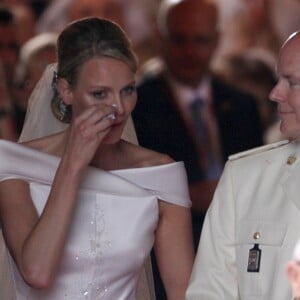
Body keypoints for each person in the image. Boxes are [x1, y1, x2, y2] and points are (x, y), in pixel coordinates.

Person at [0, 17, 194, 299]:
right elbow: (36, 272)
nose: (118, 107)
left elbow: (184, 293)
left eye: (127, 90)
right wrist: (74, 163)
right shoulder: (14, 166)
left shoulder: (160, 174)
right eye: (99, 93)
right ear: (66, 91)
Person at [132, 3, 263, 296]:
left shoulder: (243, 105)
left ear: (217, 39)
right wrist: (189, 195)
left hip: (239, 250)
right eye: (179, 39)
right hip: (167, 256)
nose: (190, 51)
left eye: (200, 40)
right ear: (160, 37)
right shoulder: (136, 106)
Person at [186, 30, 300, 300]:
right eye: (277, 80)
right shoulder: (244, 179)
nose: (274, 94)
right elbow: (209, 293)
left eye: (292, 82)